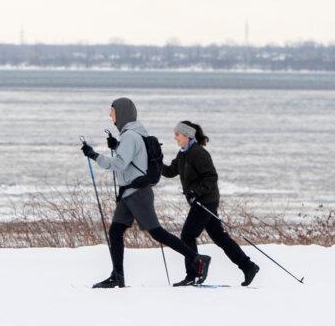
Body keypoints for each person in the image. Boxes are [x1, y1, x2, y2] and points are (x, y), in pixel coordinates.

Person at [80, 97, 209, 288]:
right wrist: (116, 146)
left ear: (122, 113)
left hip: (138, 193)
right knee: (115, 232)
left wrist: (93, 155)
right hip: (128, 193)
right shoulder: (133, 134)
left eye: (112, 111)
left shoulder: (130, 136)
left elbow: (119, 164)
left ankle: (196, 258)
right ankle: (117, 276)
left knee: (157, 233)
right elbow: (133, 158)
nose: (110, 115)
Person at [162, 120, 259, 287]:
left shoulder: (198, 153)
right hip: (200, 201)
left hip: (206, 200)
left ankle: (193, 274)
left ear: (186, 135)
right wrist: (155, 161)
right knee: (219, 237)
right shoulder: (183, 153)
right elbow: (170, 172)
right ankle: (248, 266)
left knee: (187, 235)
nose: (175, 138)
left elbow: (211, 177)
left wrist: (195, 192)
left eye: (177, 134)